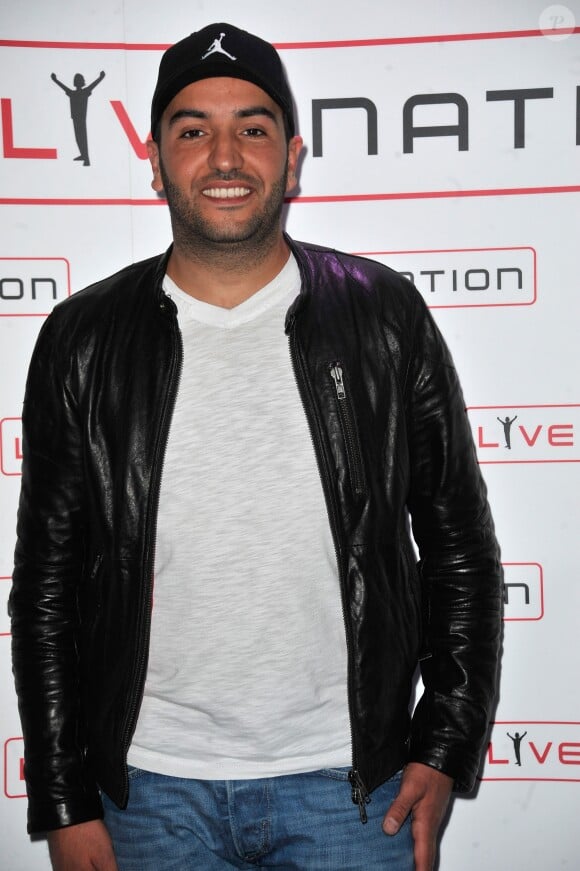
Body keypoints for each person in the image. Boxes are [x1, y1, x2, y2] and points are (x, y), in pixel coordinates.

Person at [11, 22, 503, 871]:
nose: (225, 155)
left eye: (253, 127)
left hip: (354, 789)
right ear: (156, 161)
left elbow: (459, 546)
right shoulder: (82, 338)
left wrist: (444, 741)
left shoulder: (383, 317)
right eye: (193, 130)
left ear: (294, 155)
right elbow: (48, 584)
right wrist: (64, 795)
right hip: (146, 790)